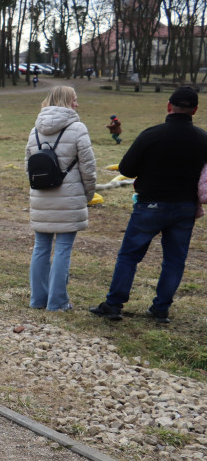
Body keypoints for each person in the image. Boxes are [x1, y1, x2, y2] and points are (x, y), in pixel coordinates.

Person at [90, 86, 207, 323]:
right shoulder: (203, 138)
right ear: (194, 110)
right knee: (175, 260)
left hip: (149, 205)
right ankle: (161, 309)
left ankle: (113, 305)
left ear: (168, 106)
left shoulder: (151, 135)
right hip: (185, 207)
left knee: (129, 256)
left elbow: (125, 169)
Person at [24, 85, 97, 312]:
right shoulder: (77, 128)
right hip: (70, 198)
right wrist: (88, 195)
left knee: (41, 248)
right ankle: (57, 303)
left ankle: (38, 300)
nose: (77, 103)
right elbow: (88, 167)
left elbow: (28, 167)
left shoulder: (34, 130)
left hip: (41, 197)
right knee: (63, 249)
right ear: (67, 101)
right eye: (74, 99)